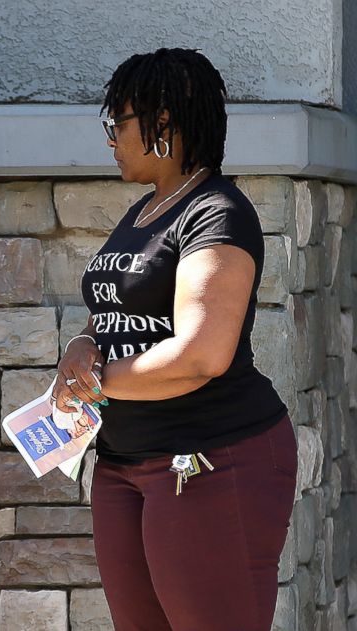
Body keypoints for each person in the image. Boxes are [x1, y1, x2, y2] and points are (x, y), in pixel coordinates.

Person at [53, 48, 297, 631]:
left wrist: (92, 386)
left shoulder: (216, 212)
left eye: (118, 124)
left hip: (210, 459)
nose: (110, 139)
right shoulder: (147, 210)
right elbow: (120, 309)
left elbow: (201, 354)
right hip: (122, 464)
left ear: (163, 123)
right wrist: (81, 347)